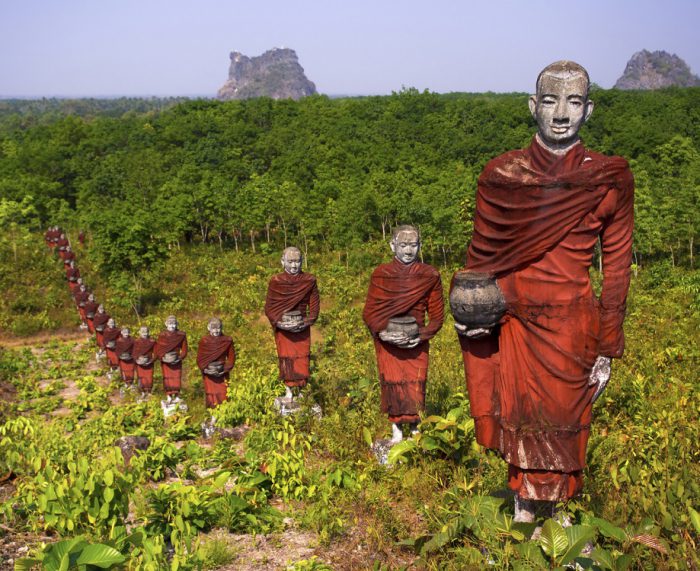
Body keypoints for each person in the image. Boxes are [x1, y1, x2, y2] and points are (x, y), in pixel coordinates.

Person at [454, 61, 634, 522]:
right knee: (517, 415)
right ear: (532, 106)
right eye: (550, 100)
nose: (560, 113)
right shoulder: (501, 176)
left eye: (573, 102)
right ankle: (522, 510)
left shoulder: (609, 177)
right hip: (511, 320)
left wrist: (608, 345)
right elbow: (481, 261)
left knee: (563, 422)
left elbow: (615, 269)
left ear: (588, 110)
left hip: (572, 325)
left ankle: (560, 520)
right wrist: (470, 314)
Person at [363, 225, 444, 443]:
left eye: (414, 245)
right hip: (389, 342)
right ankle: (396, 432)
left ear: (420, 246)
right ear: (392, 246)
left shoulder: (430, 275)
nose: (409, 251)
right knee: (392, 383)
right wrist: (382, 333)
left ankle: (417, 433)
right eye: (403, 245)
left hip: (415, 341)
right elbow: (370, 312)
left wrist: (422, 335)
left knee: (416, 385)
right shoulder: (382, 274)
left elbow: (437, 316)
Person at [264, 246, 320, 401]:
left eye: (298, 261)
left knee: (302, 358)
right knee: (286, 358)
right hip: (284, 328)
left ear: (302, 261)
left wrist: (306, 322)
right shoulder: (276, 281)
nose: (294, 265)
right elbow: (269, 308)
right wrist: (279, 323)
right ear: (283, 262)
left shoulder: (309, 280)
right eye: (290, 261)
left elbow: (314, 308)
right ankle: (288, 391)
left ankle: (302, 392)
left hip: (301, 327)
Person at [196, 317, 236, 408]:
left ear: (222, 328)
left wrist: (225, 369)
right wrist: (206, 370)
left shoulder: (227, 340)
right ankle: (213, 416)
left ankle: (224, 414)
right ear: (208, 328)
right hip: (209, 372)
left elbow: (231, 358)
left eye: (218, 328)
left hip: (222, 372)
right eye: (213, 328)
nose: (216, 331)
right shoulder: (204, 341)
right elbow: (200, 359)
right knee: (211, 395)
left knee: (224, 394)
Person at [154, 315, 188, 402]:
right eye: (170, 324)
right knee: (167, 377)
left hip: (176, 359)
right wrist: (162, 357)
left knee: (176, 377)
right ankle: (168, 395)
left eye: (174, 324)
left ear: (177, 324)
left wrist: (180, 357)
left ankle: (177, 395)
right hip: (166, 360)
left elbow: (184, 349)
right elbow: (158, 349)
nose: (172, 326)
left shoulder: (181, 335)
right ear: (166, 324)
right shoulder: (162, 335)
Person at [133, 326, 156, 395]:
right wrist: (136, 360)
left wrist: (152, 360)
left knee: (149, 377)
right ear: (139, 333)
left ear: (149, 332)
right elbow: (134, 352)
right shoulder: (137, 341)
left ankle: (149, 391)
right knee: (141, 376)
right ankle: (142, 392)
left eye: (146, 332)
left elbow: (156, 352)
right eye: (143, 332)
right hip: (139, 362)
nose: (145, 334)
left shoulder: (152, 342)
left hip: (149, 362)